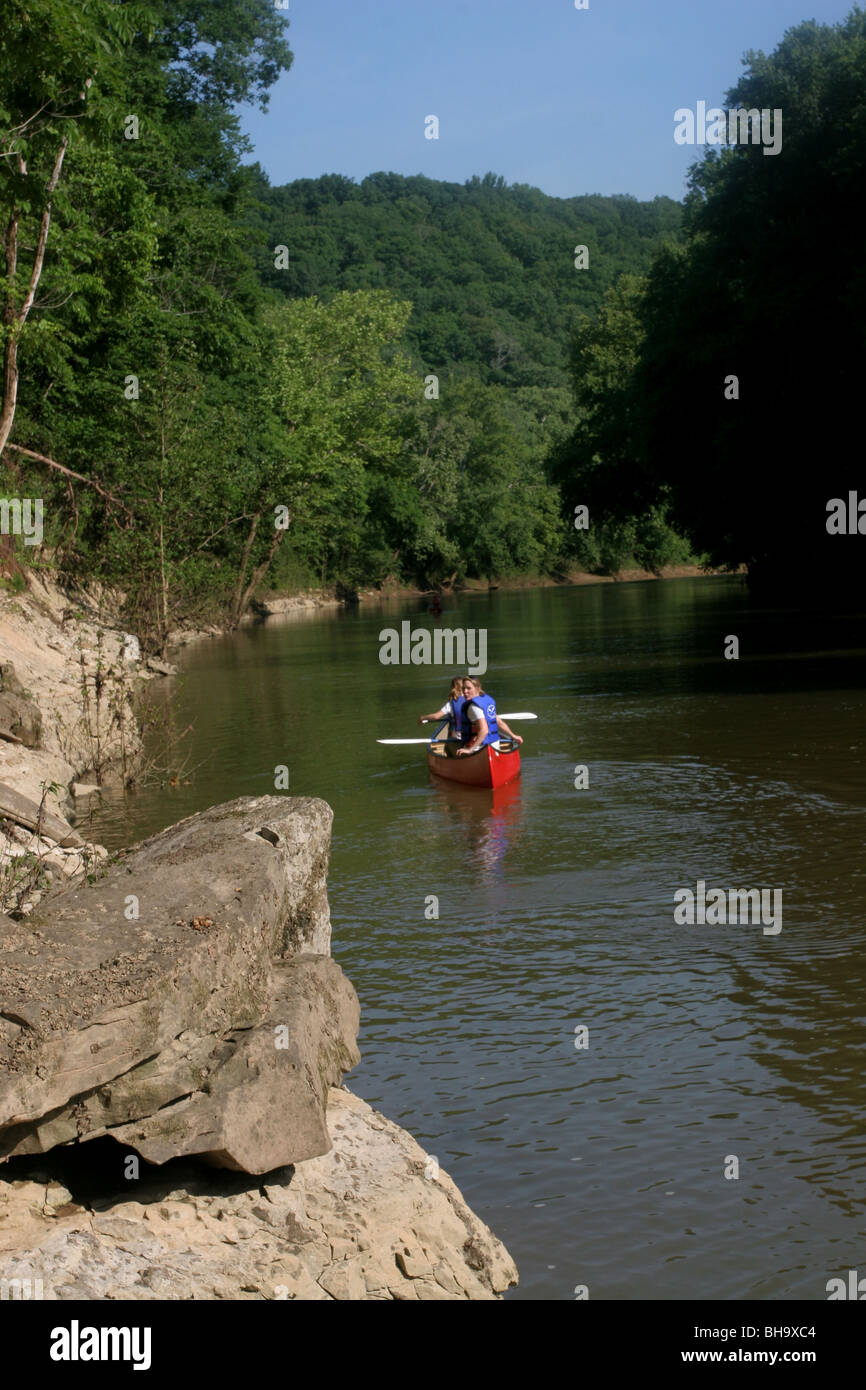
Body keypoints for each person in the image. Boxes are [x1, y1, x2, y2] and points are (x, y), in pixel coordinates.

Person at [456, 677, 523, 756]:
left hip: (480, 748)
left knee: (457, 751)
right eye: (463, 688)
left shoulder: (473, 707)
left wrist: (470, 749)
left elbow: (484, 730)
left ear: (478, 688)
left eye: (469, 688)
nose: (465, 691)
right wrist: (513, 736)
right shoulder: (485, 701)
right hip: (495, 744)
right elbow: (498, 721)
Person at [418, 677, 465, 746]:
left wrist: (423, 717)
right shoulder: (471, 699)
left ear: (453, 687)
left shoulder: (450, 704)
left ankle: (448, 749)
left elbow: (436, 716)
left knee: (448, 741)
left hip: (459, 738)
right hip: (471, 735)